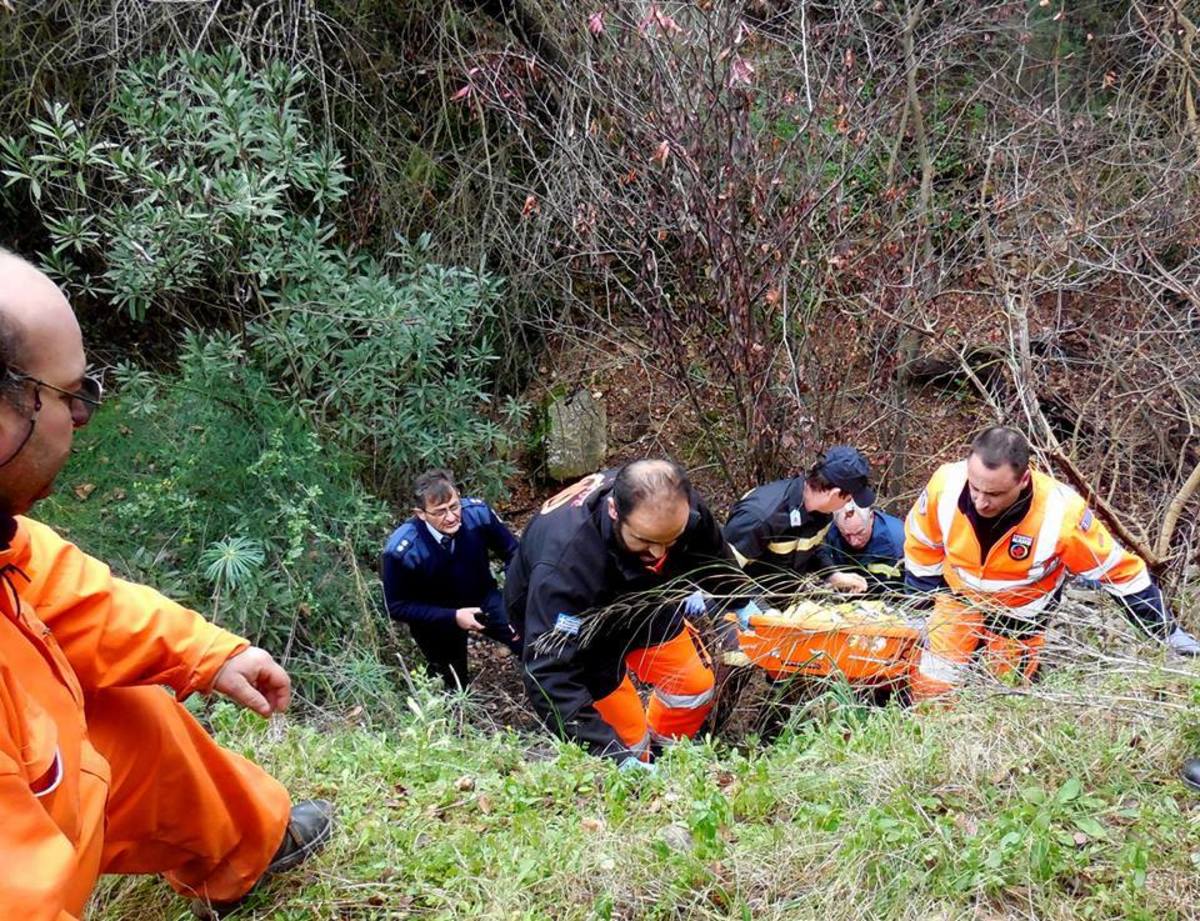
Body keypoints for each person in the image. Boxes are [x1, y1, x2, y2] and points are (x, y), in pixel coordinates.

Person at [0, 250, 331, 920]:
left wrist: (209, 652)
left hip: (54, 779)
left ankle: (246, 848)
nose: (83, 420)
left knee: (133, 715)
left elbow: (66, 590)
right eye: (70, 397)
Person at [904, 425, 1200, 700]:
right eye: (975, 488)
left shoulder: (1061, 514)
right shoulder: (946, 484)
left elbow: (1118, 572)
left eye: (994, 494)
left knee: (1002, 697)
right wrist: (919, 606)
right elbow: (921, 544)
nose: (981, 502)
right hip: (956, 598)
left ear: (1023, 479)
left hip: (1020, 614)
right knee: (933, 682)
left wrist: (1166, 631)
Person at [505, 460, 735, 765]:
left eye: (671, 541)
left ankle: (666, 757)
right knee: (627, 740)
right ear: (614, 511)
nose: (658, 554)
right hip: (579, 627)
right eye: (646, 541)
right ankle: (638, 768)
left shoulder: (673, 506)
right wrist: (611, 754)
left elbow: (711, 550)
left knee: (694, 687)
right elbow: (549, 671)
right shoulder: (564, 570)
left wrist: (739, 600)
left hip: (644, 597)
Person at [381, 468, 522, 689]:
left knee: (526, 640)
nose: (451, 517)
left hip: (483, 598)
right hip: (435, 618)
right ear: (421, 513)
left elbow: (514, 553)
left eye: (454, 507)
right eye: (439, 512)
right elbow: (396, 606)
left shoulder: (478, 515)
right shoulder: (403, 550)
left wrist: (516, 598)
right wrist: (453, 616)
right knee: (453, 684)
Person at [723, 445, 876, 594]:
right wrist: (756, 609)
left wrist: (832, 575)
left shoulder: (823, 514)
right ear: (834, 494)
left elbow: (813, 548)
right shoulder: (760, 516)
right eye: (848, 499)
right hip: (744, 604)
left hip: (785, 604)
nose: (847, 504)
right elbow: (720, 574)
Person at [823, 502, 907, 594]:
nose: (854, 542)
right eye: (846, 535)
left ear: (871, 517)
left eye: (859, 533)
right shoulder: (830, 530)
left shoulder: (898, 539)